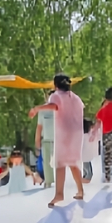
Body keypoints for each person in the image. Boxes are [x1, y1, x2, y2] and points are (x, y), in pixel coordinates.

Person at [29, 73, 85, 207]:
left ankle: (59, 193)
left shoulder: (56, 95)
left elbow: (54, 106)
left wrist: (37, 109)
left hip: (64, 133)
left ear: (55, 85)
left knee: (60, 163)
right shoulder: (76, 98)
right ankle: (80, 190)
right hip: (77, 134)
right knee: (72, 162)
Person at [82, 118, 102, 183]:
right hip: (86, 155)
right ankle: (84, 179)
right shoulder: (89, 135)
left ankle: (84, 179)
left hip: (84, 154)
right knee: (87, 171)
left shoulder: (83, 136)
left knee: (86, 169)